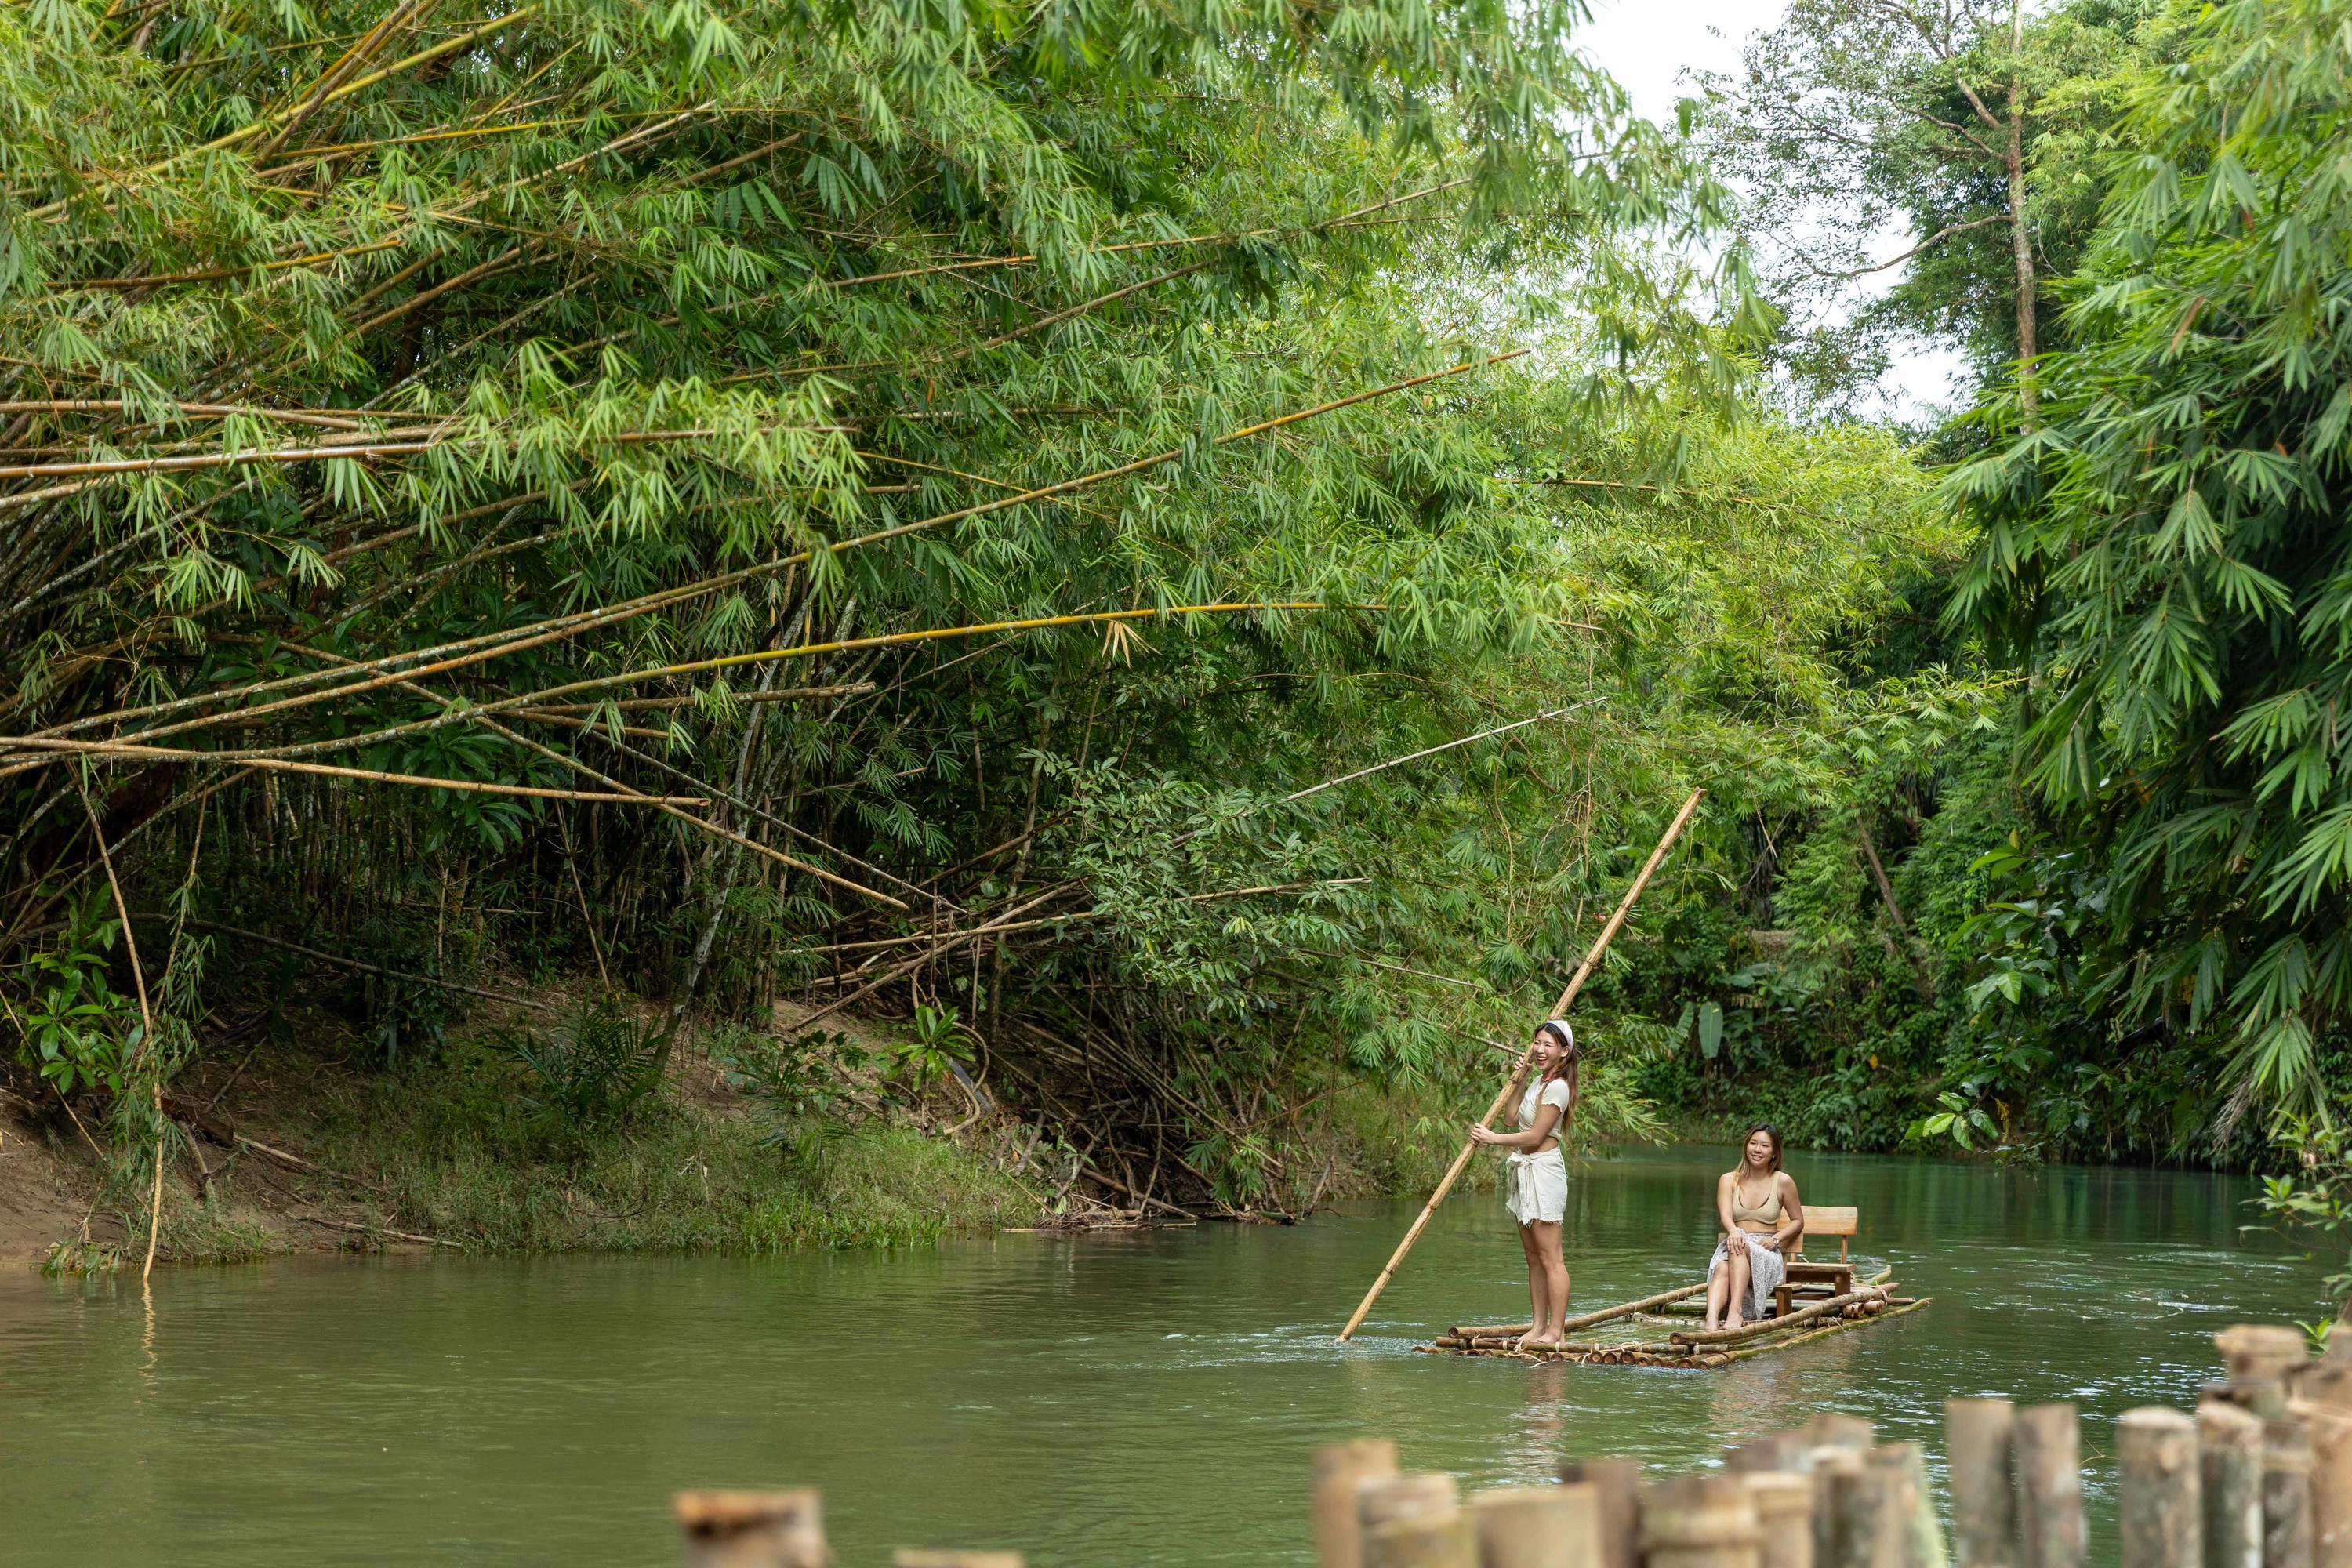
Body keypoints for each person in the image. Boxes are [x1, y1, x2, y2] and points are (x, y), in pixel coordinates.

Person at [1468, 1019, 1577, 1350]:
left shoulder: (1558, 1087)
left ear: (1564, 1051)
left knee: (1551, 1257)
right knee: (1533, 1257)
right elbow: (1512, 1118)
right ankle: (1538, 1325)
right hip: (1525, 1172)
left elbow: (1533, 1136)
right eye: (1536, 1043)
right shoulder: (1538, 1081)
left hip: (1544, 1173)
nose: (1540, 1050)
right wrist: (1518, 1080)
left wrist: (1493, 1139)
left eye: (1548, 1045)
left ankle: (1556, 1330)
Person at [1704, 1123, 1802, 1332]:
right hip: (1734, 1240)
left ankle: (1735, 1311)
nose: (1757, 1150)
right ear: (1746, 1146)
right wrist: (1733, 1231)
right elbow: (1725, 1216)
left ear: (1774, 1152)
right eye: (1753, 1143)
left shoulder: (1783, 1182)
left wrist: (1776, 1239)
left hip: (1765, 1250)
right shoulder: (1729, 1180)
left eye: (1765, 1146)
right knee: (1723, 1265)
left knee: (1739, 1247)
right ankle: (1711, 1319)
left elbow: (1797, 1221)